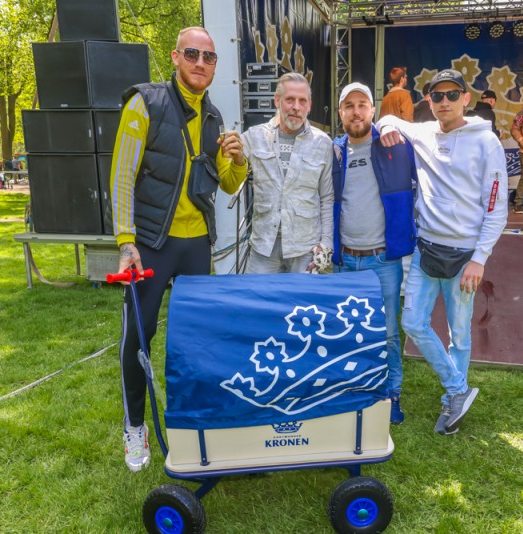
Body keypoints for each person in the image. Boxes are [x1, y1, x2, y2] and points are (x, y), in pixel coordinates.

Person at [110, 26, 248, 472]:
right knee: (139, 337)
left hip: (195, 246)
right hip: (150, 244)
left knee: (194, 341)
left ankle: (193, 424)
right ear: (175, 57)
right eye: (193, 54)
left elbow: (226, 184)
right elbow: (122, 177)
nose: (201, 63)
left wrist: (239, 161)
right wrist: (126, 241)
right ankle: (135, 427)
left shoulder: (214, 116)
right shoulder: (144, 102)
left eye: (209, 58)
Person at [377, 69, 508, 435]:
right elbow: (386, 115)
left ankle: (453, 404)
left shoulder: (487, 143)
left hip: (465, 256)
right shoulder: (421, 132)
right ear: (428, 101)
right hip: (425, 250)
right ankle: (458, 389)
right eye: (437, 96)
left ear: (466, 98)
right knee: (413, 323)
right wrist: (387, 126)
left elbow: (496, 207)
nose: (445, 102)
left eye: (452, 95)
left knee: (460, 334)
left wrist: (480, 258)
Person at [332, 82, 417, 425]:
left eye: (362, 104)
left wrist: (392, 125)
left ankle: (390, 393)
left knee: (387, 334)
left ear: (372, 110)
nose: (355, 111)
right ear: (340, 113)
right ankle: (353, 389)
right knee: (346, 330)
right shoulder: (335, 152)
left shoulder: (393, 144)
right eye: (348, 105)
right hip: (345, 261)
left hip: (383, 260)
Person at [241, 72, 333, 274]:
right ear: (277, 100)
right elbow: (229, 167)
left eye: (302, 101)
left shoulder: (323, 144)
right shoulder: (254, 137)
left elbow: (327, 198)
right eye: (290, 99)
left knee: (303, 306)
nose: (296, 107)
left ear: (309, 105)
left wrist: (325, 245)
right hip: (263, 247)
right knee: (255, 302)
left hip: (305, 249)